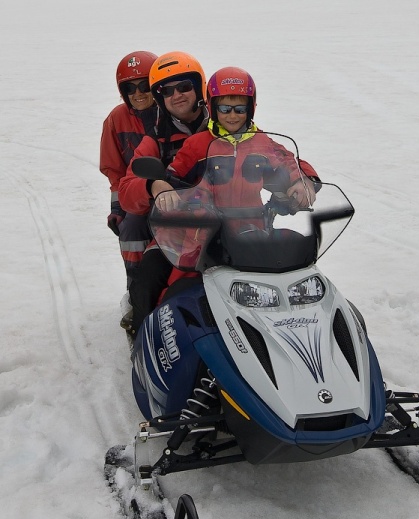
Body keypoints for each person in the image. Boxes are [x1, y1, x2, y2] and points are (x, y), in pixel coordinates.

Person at [124, 66, 321, 338]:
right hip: (201, 233)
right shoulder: (197, 145)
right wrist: (165, 189)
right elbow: (173, 175)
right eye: (225, 108)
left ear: (251, 108)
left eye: (239, 109)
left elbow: (289, 161)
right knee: (176, 291)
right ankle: (153, 335)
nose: (232, 116)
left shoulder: (262, 143)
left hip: (251, 233)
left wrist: (303, 181)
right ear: (213, 106)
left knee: (288, 281)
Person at [118, 50, 209, 333]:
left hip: (232, 227)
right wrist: (153, 185)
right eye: (167, 91)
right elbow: (126, 189)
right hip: (176, 232)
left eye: (184, 87)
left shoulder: (227, 125)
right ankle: (144, 335)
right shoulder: (156, 139)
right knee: (148, 279)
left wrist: (296, 181)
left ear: (199, 87)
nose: (177, 95)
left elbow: (270, 152)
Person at [100, 51, 158, 290]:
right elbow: (114, 170)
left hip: (176, 193)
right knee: (132, 228)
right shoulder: (116, 119)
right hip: (135, 195)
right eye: (130, 88)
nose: (138, 93)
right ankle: (137, 292)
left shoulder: (172, 112)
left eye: (145, 85)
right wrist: (117, 209)